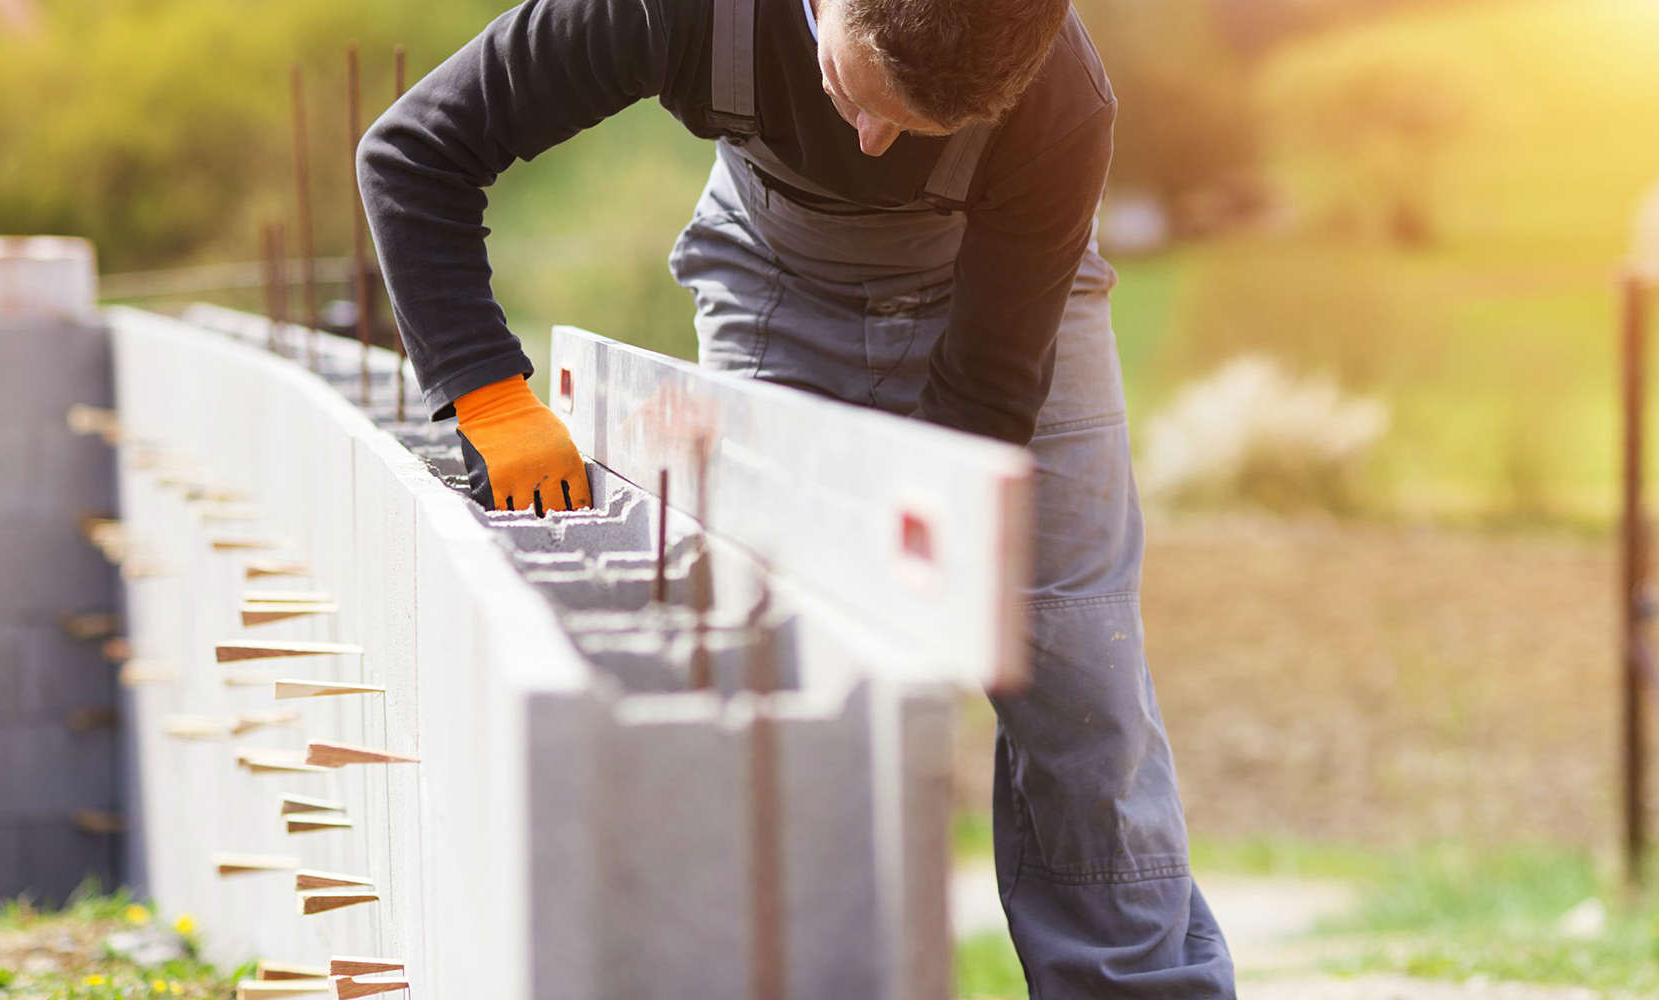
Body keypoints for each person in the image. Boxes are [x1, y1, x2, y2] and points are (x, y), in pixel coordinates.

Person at [357, 0, 1235, 994]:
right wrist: (489, 399)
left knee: (1078, 672)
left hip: (1006, 310)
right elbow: (411, 154)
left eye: (911, 127)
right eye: (861, 93)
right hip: (773, 283)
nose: (869, 142)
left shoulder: (1061, 98)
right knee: (770, 652)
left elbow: (983, 398)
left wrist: (919, 572)